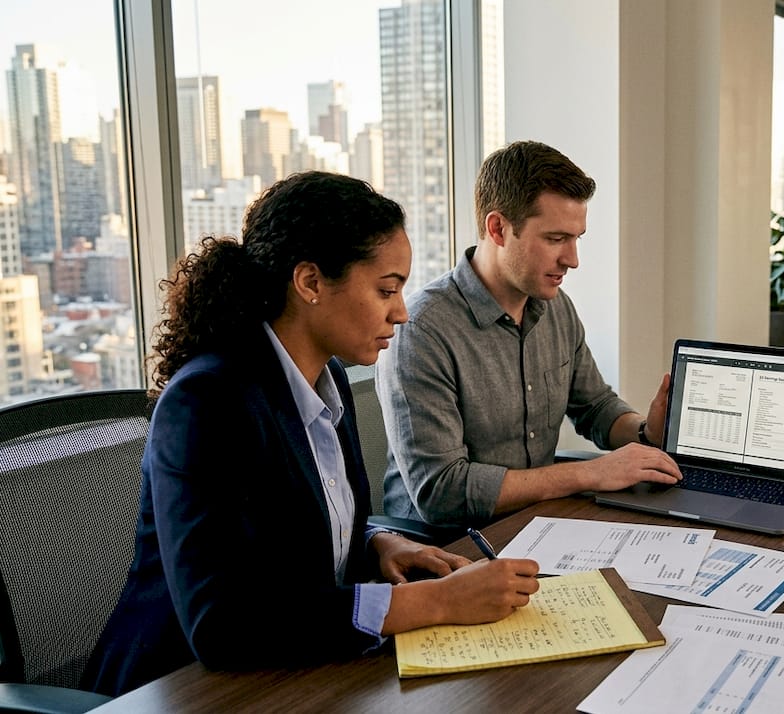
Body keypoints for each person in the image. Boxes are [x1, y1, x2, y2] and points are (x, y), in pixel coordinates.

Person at [83, 172, 539, 696]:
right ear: (310, 283)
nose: (402, 312)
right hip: (178, 688)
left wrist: (374, 544)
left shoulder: (327, 377)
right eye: (386, 289)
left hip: (296, 671)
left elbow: (287, 538)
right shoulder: (208, 402)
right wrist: (433, 602)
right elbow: (221, 625)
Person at [376, 141, 681, 528]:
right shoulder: (422, 331)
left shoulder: (555, 307)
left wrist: (645, 431)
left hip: (539, 523)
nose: (572, 259)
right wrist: (587, 474)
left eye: (576, 239)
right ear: (498, 228)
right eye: (556, 239)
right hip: (449, 549)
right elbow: (442, 492)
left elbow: (595, 407)